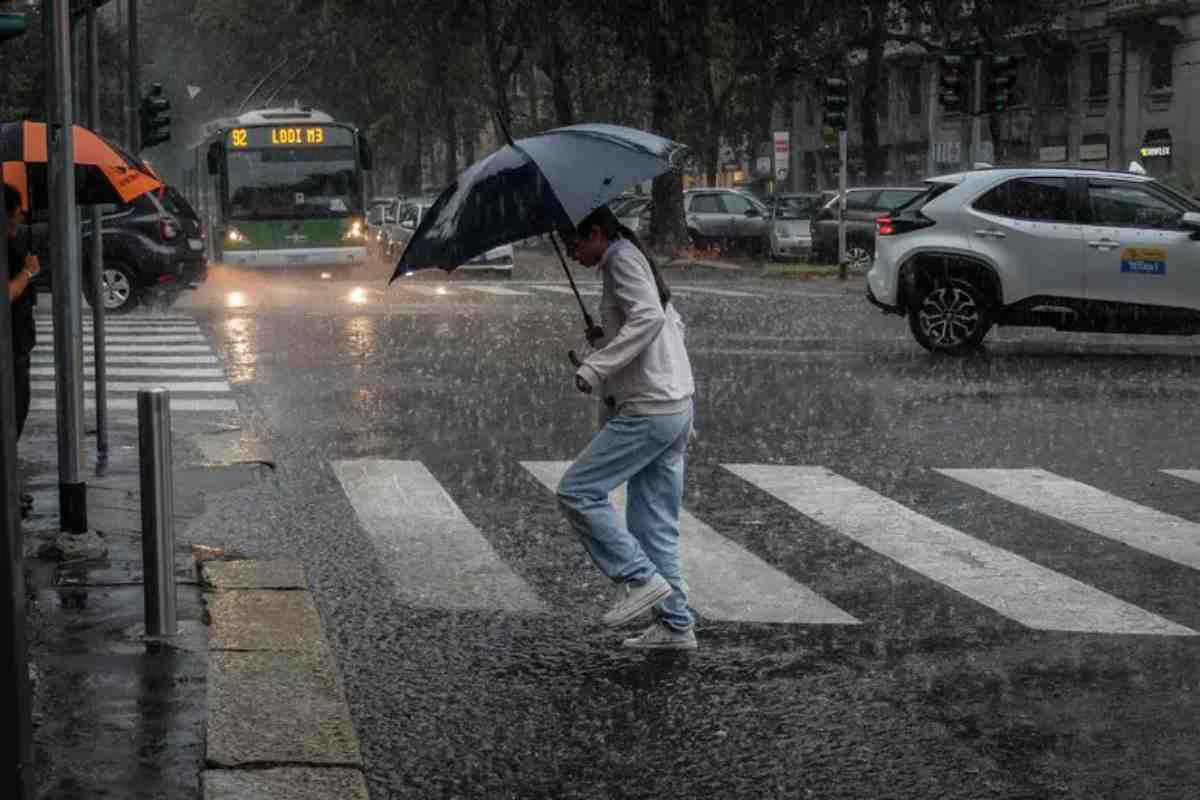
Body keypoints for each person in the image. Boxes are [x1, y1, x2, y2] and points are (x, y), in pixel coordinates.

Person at [556, 205, 698, 651]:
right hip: (673, 405)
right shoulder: (630, 258)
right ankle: (677, 626)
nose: (571, 253)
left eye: (574, 242)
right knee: (653, 524)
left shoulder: (620, 258)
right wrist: (601, 343)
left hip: (650, 408)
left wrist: (596, 368)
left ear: (597, 232)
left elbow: (649, 320)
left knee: (577, 491)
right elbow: (664, 325)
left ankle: (641, 580)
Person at [5, 185, 40, 517]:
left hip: (18, 345)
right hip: (9, 349)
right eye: (17, 211)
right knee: (10, 421)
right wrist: (27, 273)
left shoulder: (13, 241)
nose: (21, 216)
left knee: (15, 420)